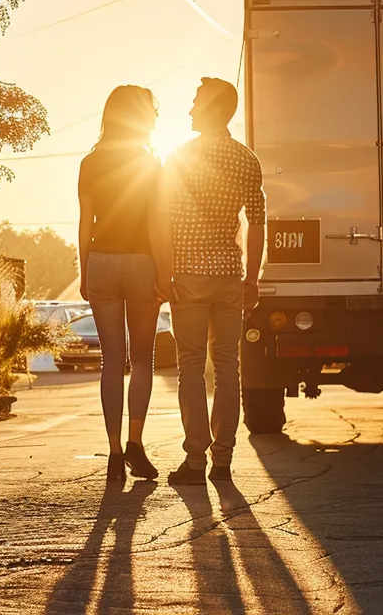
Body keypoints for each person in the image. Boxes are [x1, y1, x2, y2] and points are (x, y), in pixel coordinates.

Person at [152, 78, 266, 485]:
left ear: (213, 108)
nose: (189, 110)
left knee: (191, 367)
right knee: (227, 368)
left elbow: (161, 220)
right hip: (228, 277)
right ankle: (223, 459)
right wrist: (251, 279)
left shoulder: (180, 157)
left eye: (196, 102)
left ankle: (195, 461)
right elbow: (257, 221)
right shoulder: (246, 159)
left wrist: (165, 273)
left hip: (188, 275)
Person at [77, 85, 162, 482]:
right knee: (142, 359)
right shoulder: (151, 164)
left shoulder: (90, 163)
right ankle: (135, 444)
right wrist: (164, 270)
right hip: (143, 262)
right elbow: (156, 223)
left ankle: (113, 455)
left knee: (112, 360)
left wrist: (84, 268)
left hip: (101, 262)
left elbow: (85, 222)